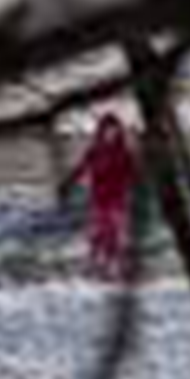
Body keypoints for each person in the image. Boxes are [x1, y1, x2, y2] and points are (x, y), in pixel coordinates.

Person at [62, 113, 138, 281]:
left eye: (114, 130)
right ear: (101, 132)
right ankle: (95, 265)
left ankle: (114, 268)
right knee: (97, 234)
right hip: (99, 199)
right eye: (107, 130)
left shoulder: (124, 153)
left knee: (114, 233)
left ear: (119, 132)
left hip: (118, 199)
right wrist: (68, 184)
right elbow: (81, 168)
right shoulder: (95, 151)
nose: (110, 134)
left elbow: (134, 175)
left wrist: (135, 192)